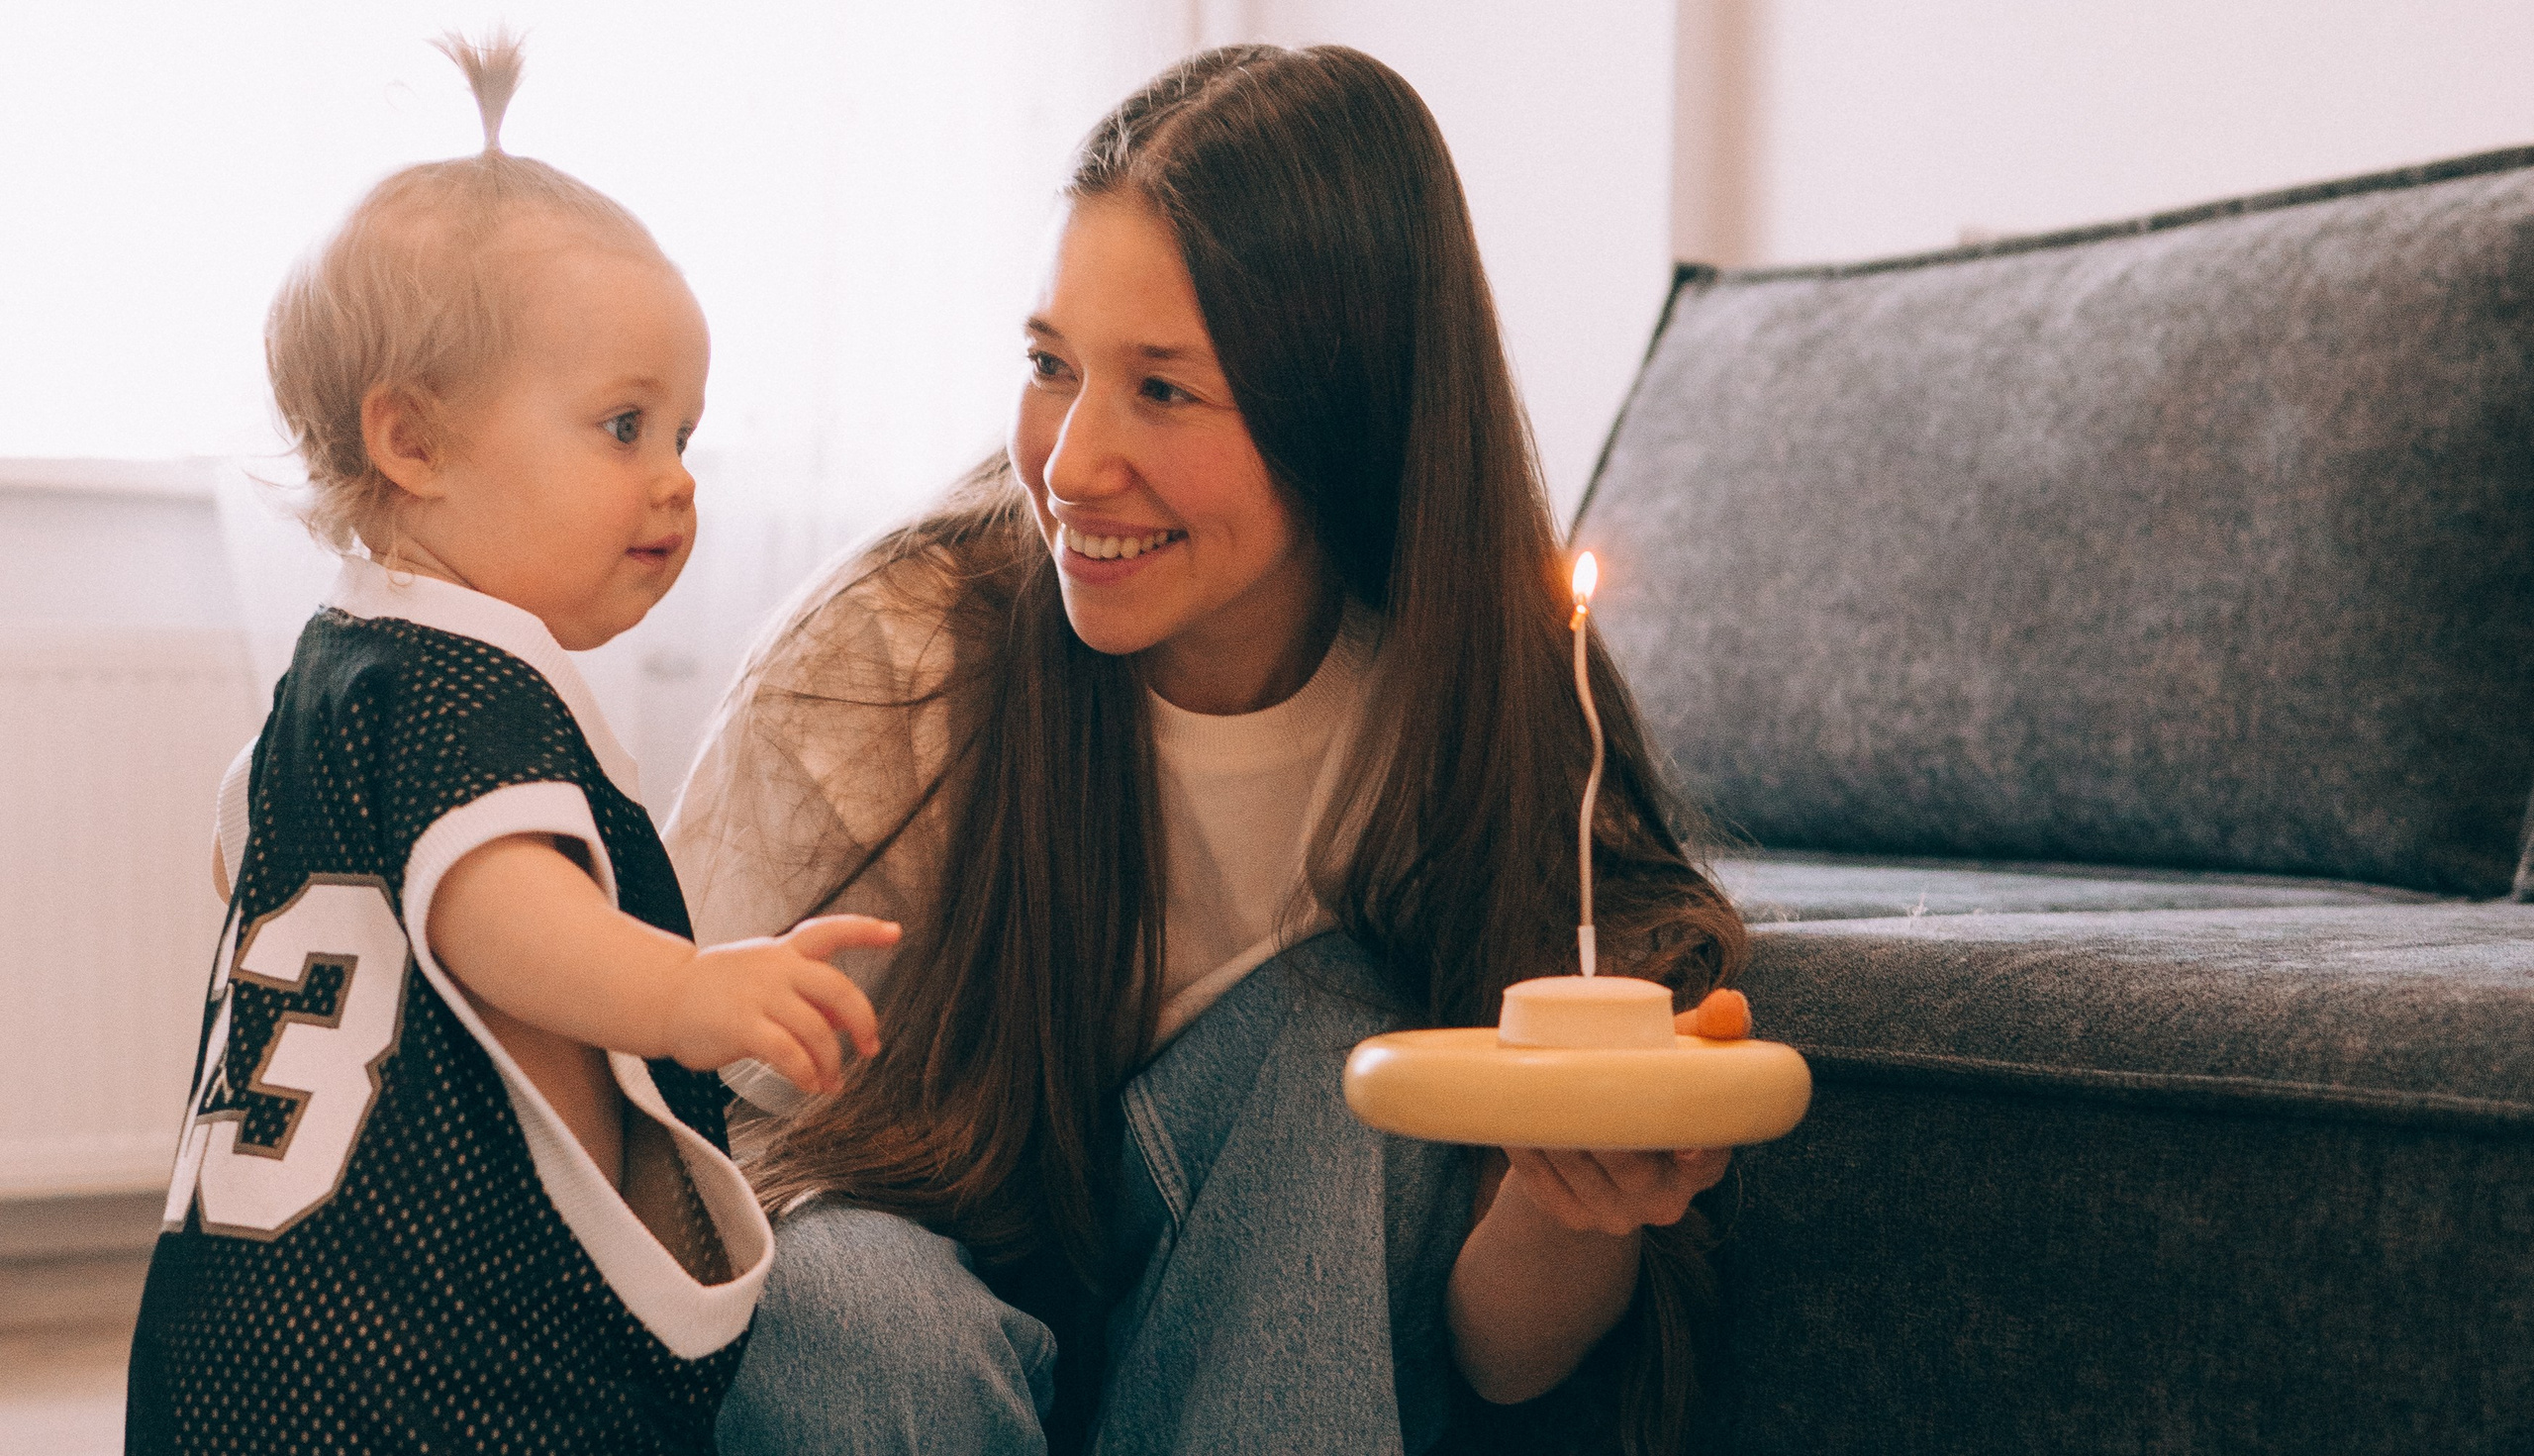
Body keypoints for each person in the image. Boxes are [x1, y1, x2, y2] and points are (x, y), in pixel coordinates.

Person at [669, 44, 1747, 1456]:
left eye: (1164, 391)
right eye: (1053, 366)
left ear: (1343, 410)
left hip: (1264, 1364)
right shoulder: (897, 661)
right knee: (849, 1299)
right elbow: (668, 1159)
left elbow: (1496, 1361)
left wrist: (1567, 1195)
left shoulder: (1476, 704)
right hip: (912, 1334)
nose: (1069, 465)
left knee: (1336, 1040)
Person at [126, 32, 896, 1454]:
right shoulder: (467, 693)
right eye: (620, 426)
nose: (673, 479)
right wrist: (685, 993)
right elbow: (496, 915)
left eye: (682, 430)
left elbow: (247, 857)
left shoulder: (327, 678)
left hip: (237, 1322)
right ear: (413, 442)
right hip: (417, 1358)